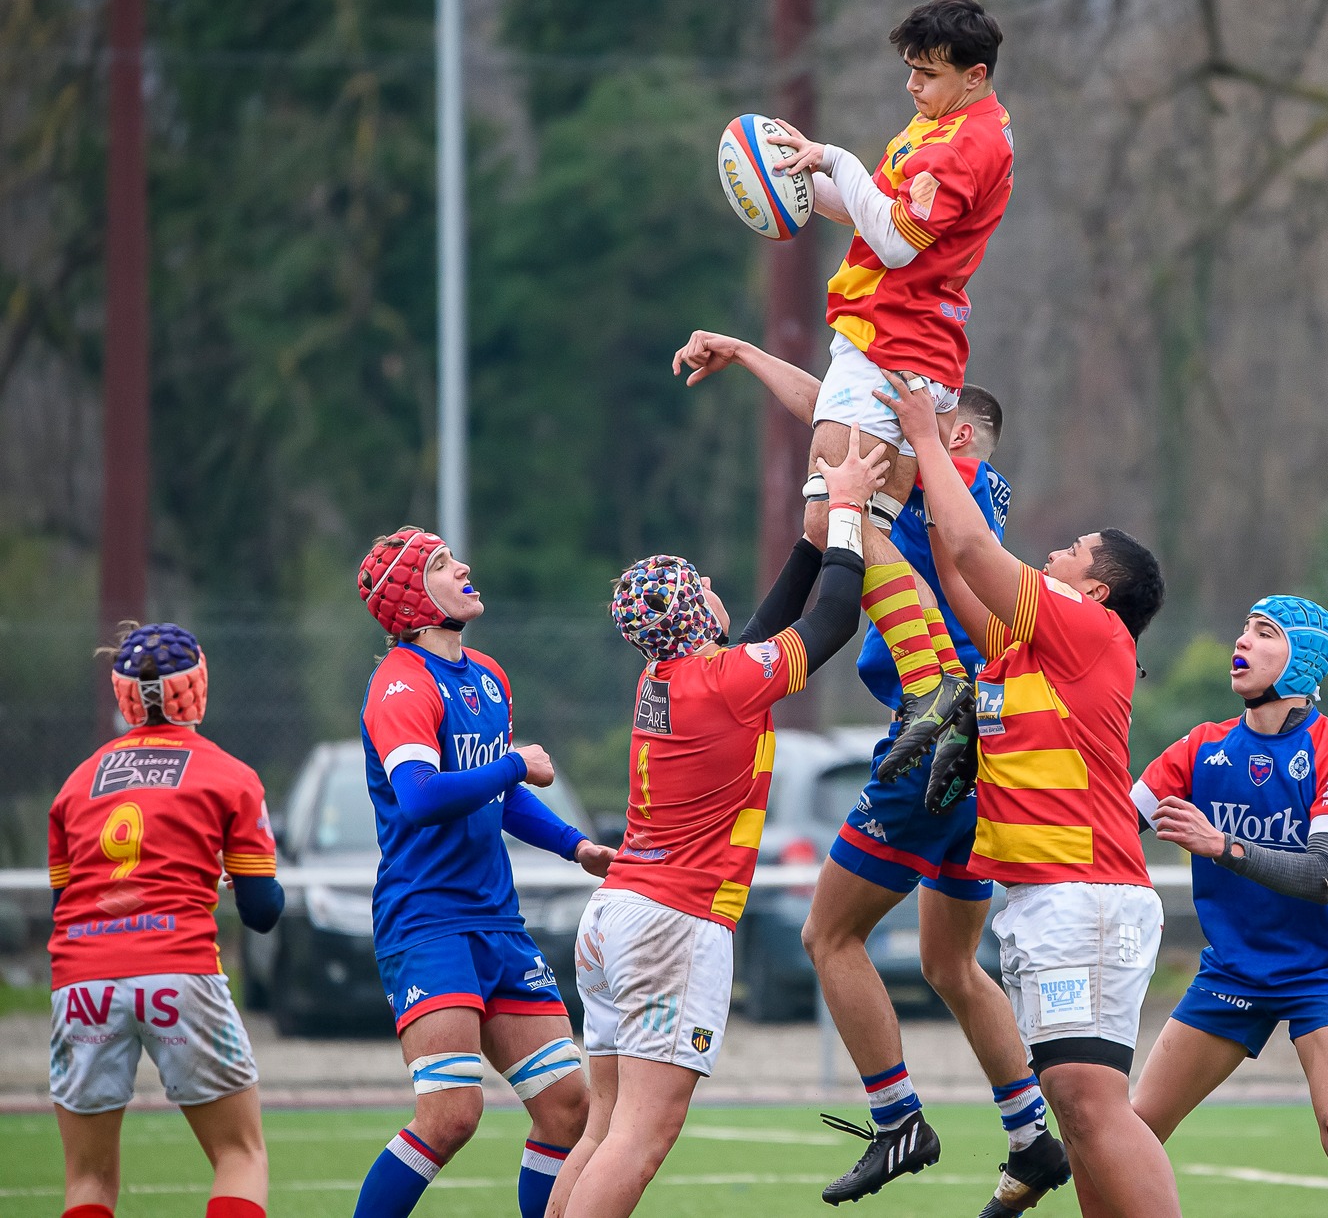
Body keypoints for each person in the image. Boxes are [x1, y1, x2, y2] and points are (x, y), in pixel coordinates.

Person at [674, 332, 1065, 1210]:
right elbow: (834, 406)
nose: (875, 435)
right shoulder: (963, 480)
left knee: (828, 935)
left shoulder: (939, 472)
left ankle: (898, 1121)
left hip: (939, 728)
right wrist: (748, 355)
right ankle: (1032, 1136)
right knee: (951, 962)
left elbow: (841, 423)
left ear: (949, 433)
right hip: (986, 737)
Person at [541, 430, 885, 1218]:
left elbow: (758, 635)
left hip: (618, 916)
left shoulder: (665, 677)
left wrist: (809, 545)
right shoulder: (723, 681)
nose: (713, 588)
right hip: (676, 921)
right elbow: (833, 619)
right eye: (701, 585)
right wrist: (846, 514)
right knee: (642, 1135)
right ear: (697, 613)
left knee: (605, 1126)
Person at [874, 373, 1179, 1218]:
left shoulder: (1088, 628)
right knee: (1080, 1112)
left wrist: (926, 435)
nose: (1054, 554)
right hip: (1058, 899)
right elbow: (954, 567)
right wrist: (939, 468)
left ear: (1097, 589)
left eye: (1074, 550)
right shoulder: (1025, 650)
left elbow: (978, 553)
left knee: (1088, 1103)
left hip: (1084, 894)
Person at [757, 0, 1017, 777]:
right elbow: (880, 215)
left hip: (886, 342)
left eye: (927, 74)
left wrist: (837, 158)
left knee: (831, 516)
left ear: (975, 76)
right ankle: (941, 678)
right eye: (909, 70)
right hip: (912, 346)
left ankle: (932, 679)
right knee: (854, 525)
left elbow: (898, 245)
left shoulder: (963, 145)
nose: (912, 85)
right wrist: (801, 180)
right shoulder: (944, 125)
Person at [350, 528, 617, 1218]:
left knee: (568, 1108)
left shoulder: (489, 676)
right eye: (441, 564)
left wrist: (575, 847)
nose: (464, 566)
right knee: (451, 1115)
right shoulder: (401, 683)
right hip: (428, 922)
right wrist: (514, 763)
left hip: (497, 921)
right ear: (412, 598)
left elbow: (497, 795)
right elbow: (421, 796)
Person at [1129, 598, 1328, 1218]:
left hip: (1320, 972)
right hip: (1233, 973)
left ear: (1302, 660)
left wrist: (1222, 845)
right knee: (1130, 1133)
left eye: (1264, 632)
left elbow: (1324, 875)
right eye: (1244, 628)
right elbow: (1111, 827)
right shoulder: (1201, 747)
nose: (1242, 641)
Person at [47, 622, 284, 1218]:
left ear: (123, 697)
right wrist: (238, 880)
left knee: (87, 1180)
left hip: (82, 980)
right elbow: (262, 913)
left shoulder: (75, 784)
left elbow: (62, 908)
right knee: (240, 1155)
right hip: (177, 969)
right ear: (197, 687)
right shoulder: (230, 776)